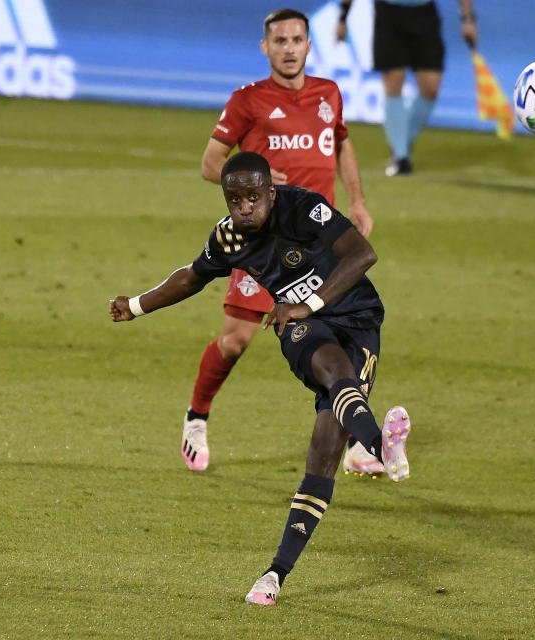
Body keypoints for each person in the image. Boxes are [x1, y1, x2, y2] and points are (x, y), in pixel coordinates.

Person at [109, 152, 411, 605]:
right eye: (235, 199)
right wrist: (136, 305)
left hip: (360, 320)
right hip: (298, 323)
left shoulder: (303, 208)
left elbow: (362, 254)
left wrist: (308, 302)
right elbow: (192, 277)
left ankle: (275, 574)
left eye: (253, 197)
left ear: (271, 192)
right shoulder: (229, 238)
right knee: (333, 369)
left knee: (324, 446)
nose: (244, 207)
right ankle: (379, 446)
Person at [185, 8, 382, 476]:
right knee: (235, 342)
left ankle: (356, 442)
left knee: (343, 338)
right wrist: (254, 181)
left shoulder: (328, 93)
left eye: (297, 40)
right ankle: (196, 417)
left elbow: (341, 144)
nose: (289, 48)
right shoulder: (247, 100)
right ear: (265, 48)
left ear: (309, 45)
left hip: (319, 247)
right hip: (265, 246)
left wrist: (357, 201)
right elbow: (212, 163)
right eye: (280, 41)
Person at [337, 0, 479, 176]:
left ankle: (402, 143)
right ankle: (401, 156)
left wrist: (468, 19)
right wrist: (343, 16)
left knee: (430, 87)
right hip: (388, 14)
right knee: (394, 80)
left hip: (424, 14)